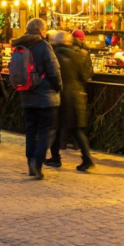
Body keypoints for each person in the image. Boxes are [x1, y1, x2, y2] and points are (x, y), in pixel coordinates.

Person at [11, 18, 62, 180]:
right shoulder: (43, 46)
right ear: (41, 30)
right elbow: (54, 70)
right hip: (45, 96)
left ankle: (30, 162)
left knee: (31, 130)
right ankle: (37, 162)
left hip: (26, 94)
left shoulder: (20, 45)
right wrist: (59, 87)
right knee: (47, 130)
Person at [48, 30, 95, 171]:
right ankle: (86, 159)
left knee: (55, 128)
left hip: (61, 95)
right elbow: (86, 75)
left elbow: (52, 76)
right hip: (76, 95)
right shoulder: (79, 55)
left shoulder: (54, 56)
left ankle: (56, 158)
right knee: (77, 130)